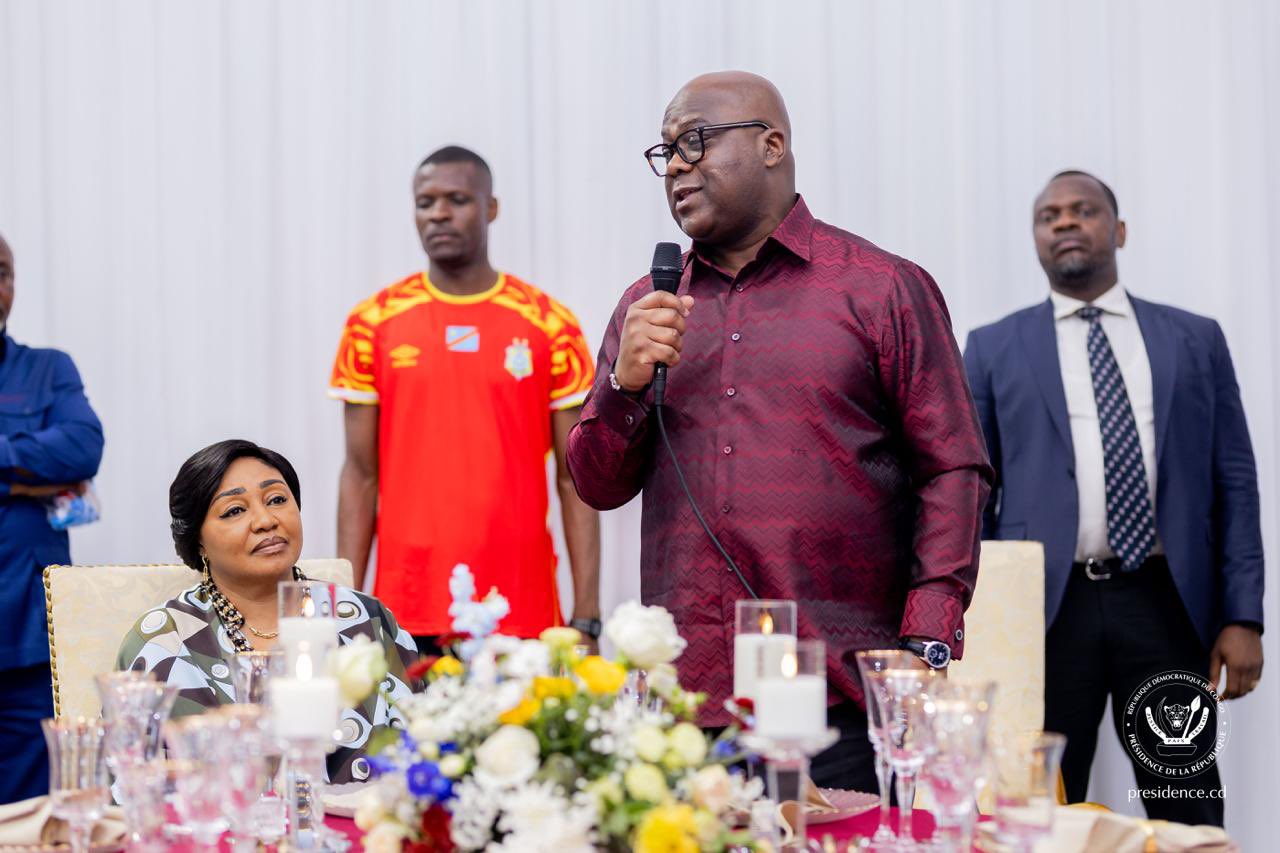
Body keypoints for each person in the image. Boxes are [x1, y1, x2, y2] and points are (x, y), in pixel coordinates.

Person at [565, 72, 991, 790]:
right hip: (687, 711)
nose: (675, 166)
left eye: (695, 141)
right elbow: (597, 484)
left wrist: (926, 639)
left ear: (771, 145)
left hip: (839, 700)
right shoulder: (649, 306)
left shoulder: (881, 288)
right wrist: (622, 386)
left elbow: (952, 469)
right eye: (665, 152)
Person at [964, 171, 1264, 825]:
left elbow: (1234, 480)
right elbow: (971, 491)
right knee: (1040, 807)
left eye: (1084, 210)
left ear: (1119, 230)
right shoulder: (992, 348)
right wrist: (971, 615)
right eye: (1049, 216)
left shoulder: (1195, 339)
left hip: (1163, 602)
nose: (1066, 223)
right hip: (1044, 612)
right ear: (1036, 239)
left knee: (1185, 802)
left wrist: (1244, 615)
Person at [329, 146, 601, 655]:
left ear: (490, 207)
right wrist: (346, 611)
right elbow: (360, 475)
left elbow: (575, 478)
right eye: (425, 202)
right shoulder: (372, 324)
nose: (438, 213)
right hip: (405, 606)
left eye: (457, 200)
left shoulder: (550, 325)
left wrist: (587, 615)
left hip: (519, 603)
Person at [116, 440, 418, 783]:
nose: (265, 520)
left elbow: (426, 747)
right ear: (198, 541)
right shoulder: (164, 644)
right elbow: (130, 787)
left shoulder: (365, 619)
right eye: (234, 511)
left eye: (276, 500)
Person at [0, 233, 105, 803]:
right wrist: (25, 476)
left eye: (3, 272)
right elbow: (59, 458)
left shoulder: (48, 369)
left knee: (33, 814)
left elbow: (83, 448)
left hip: (28, 638)